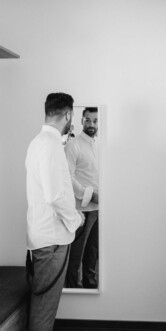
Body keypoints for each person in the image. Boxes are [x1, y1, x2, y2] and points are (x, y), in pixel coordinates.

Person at [25, 93, 84, 331]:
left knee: (48, 302)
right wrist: (76, 220)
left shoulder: (42, 143)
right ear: (68, 115)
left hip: (48, 236)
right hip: (51, 239)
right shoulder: (48, 146)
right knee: (44, 305)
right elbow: (55, 195)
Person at [65, 107, 99, 288]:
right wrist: (91, 195)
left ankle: (90, 284)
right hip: (82, 209)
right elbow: (67, 178)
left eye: (95, 120)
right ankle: (72, 288)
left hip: (100, 209)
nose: (91, 124)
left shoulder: (101, 145)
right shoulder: (73, 146)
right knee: (76, 255)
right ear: (81, 121)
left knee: (93, 252)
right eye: (88, 120)